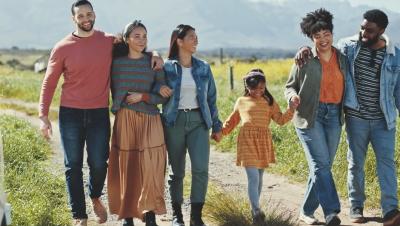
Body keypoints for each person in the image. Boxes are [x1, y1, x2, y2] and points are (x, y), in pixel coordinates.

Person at [38, 1, 162, 225]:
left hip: (98, 113)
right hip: (70, 114)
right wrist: (43, 115)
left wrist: (156, 53)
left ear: (94, 15)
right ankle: (79, 215)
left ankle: (95, 196)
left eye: (89, 14)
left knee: (98, 162)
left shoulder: (107, 42)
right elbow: (49, 82)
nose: (86, 18)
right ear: (73, 19)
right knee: (72, 164)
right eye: (81, 15)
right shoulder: (62, 46)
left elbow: (135, 44)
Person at [295, 9, 400, 226]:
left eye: (369, 30)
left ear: (381, 31)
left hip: (384, 120)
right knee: (354, 164)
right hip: (355, 117)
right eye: (362, 27)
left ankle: (390, 210)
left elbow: (398, 90)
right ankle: (355, 206)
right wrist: (304, 48)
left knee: (386, 164)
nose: (363, 33)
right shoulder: (349, 47)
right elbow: (323, 48)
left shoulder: (395, 55)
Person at [285, 8, 347, 226]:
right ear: (311, 39)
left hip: (334, 117)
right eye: (317, 36)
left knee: (322, 166)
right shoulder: (304, 59)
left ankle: (306, 210)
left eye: (326, 34)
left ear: (332, 33)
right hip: (309, 117)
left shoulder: (343, 58)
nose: (322, 40)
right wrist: (292, 97)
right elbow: (289, 86)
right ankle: (331, 211)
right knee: (321, 165)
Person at [107, 20, 172, 226]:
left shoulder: (154, 63)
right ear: (126, 39)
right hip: (125, 119)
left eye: (144, 36)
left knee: (152, 166)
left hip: (151, 119)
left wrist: (144, 96)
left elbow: (163, 96)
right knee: (128, 166)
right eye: (136, 36)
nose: (141, 40)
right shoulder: (115, 64)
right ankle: (128, 216)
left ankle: (150, 212)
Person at [162, 24, 222, 226]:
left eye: (197, 37)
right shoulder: (166, 67)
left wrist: (217, 125)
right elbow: (156, 91)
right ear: (179, 41)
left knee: (200, 169)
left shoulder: (203, 67)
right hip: (174, 122)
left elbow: (211, 99)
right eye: (191, 37)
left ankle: (196, 217)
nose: (196, 40)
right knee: (177, 171)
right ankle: (177, 216)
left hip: (198, 122)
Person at [220, 69, 296, 224]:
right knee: (253, 177)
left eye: (261, 88)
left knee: (259, 179)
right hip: (247, 141)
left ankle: (255, 210)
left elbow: (280, 120)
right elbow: (232, 121)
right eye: (254, 89)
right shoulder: (241, 101)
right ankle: (256, 211)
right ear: (247, 87)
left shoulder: (269, 101)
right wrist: (219, 133)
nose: (258, 92)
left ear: (265, 86)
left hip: (263, 142)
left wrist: (292, 109)